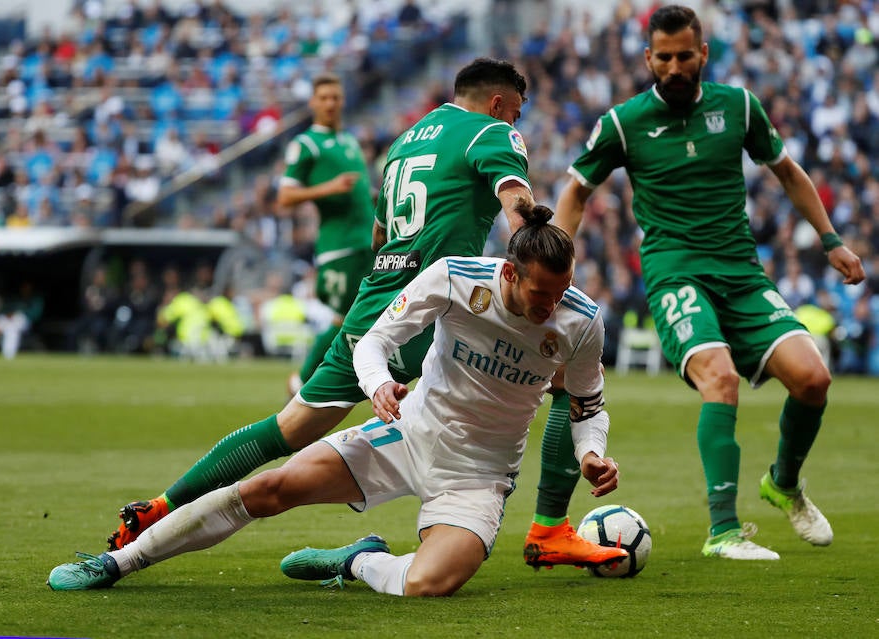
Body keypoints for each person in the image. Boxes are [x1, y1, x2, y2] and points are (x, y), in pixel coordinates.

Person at [106, 58, 616, 570]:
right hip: (437, 306)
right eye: (516, 114)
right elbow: (518, 207)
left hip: (375, 302)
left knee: (290, 426)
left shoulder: (407, 140)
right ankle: (549, 528)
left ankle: (162, 506)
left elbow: (379, 235)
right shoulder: (493, 133)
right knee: (568, 379)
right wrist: (537, 268)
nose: (515, 123)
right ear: (498, 104)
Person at [47, 203, 628, 595]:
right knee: (270, 489)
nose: (551, 305)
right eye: (541, 293)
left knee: (429, 585)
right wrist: (377, 385)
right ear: (509, 273)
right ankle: (119, 562)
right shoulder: (455, 277)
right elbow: (374, 342)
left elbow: (587, 407)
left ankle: (357, 560)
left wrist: (590, 455)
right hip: (408, 431)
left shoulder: (581, 321)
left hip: (478, 475)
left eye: (561, 291)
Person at [550, 5, 865, 560]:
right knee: (720, 377)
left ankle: (784, 483)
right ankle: (723, 532)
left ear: (702, 54)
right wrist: (554, 262)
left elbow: (788, 172)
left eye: (684, 56)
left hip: (741, 272)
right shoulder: (624, 123)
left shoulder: (738, 106)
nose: (674, 67)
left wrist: (831, 239)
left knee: (814, 379)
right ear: (648, 58)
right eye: (663, 58)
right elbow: (576, 190)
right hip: (675, 272)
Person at [277, 72, 375, 395]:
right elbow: (285, 197)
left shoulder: (349, 141)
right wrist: (328, 188)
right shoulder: (306, 144)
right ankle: (302, 382)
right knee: (345, 317)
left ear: (343, 101)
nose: (331, 103)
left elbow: (356, 193)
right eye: (324, 98)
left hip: (368, 242)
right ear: (313, 103)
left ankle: (338, 381)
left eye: (335, 97)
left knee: (367, 315)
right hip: (339, 246)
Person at [0, 280, 44, 359]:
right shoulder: (15, 298)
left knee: (11, 329)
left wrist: (15, 315)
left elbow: (34, 314)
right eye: (24, 287)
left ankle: (8, 355)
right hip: (6, 319)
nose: (25, 289)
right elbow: (4, 311)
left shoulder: (36, 299)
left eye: (27, 287)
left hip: (23, 321)